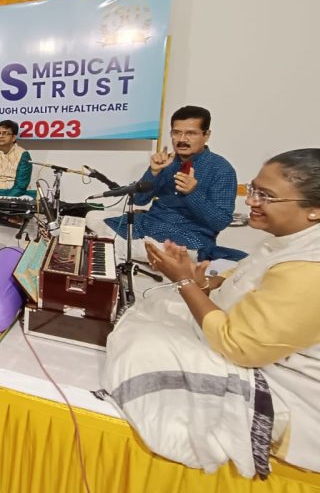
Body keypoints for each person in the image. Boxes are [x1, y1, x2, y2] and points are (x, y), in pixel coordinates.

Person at [102, 148, 320, 477]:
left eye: (266, 195)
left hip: (276, 377)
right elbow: (239, 278)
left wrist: (185, 280)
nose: (251, 201)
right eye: (253, 189)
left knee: (145, 344)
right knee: (153, 304)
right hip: (160, 229)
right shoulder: (287, 241)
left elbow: (240, 345)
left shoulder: (309, 267)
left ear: (315, 210)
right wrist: (202, 281)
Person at [86, 106, 237, 261]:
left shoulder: (221, 169)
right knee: (91, 216)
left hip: (187, 238)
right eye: (177, 133)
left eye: (190, 133)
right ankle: (124, 247)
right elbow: (139, 200)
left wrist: (193, 192)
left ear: (206, 135)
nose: (182, 139)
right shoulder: (168, 161)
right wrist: (153, 172)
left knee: (104, 243)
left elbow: (220, 222)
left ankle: (121, 247)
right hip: (150, 224)